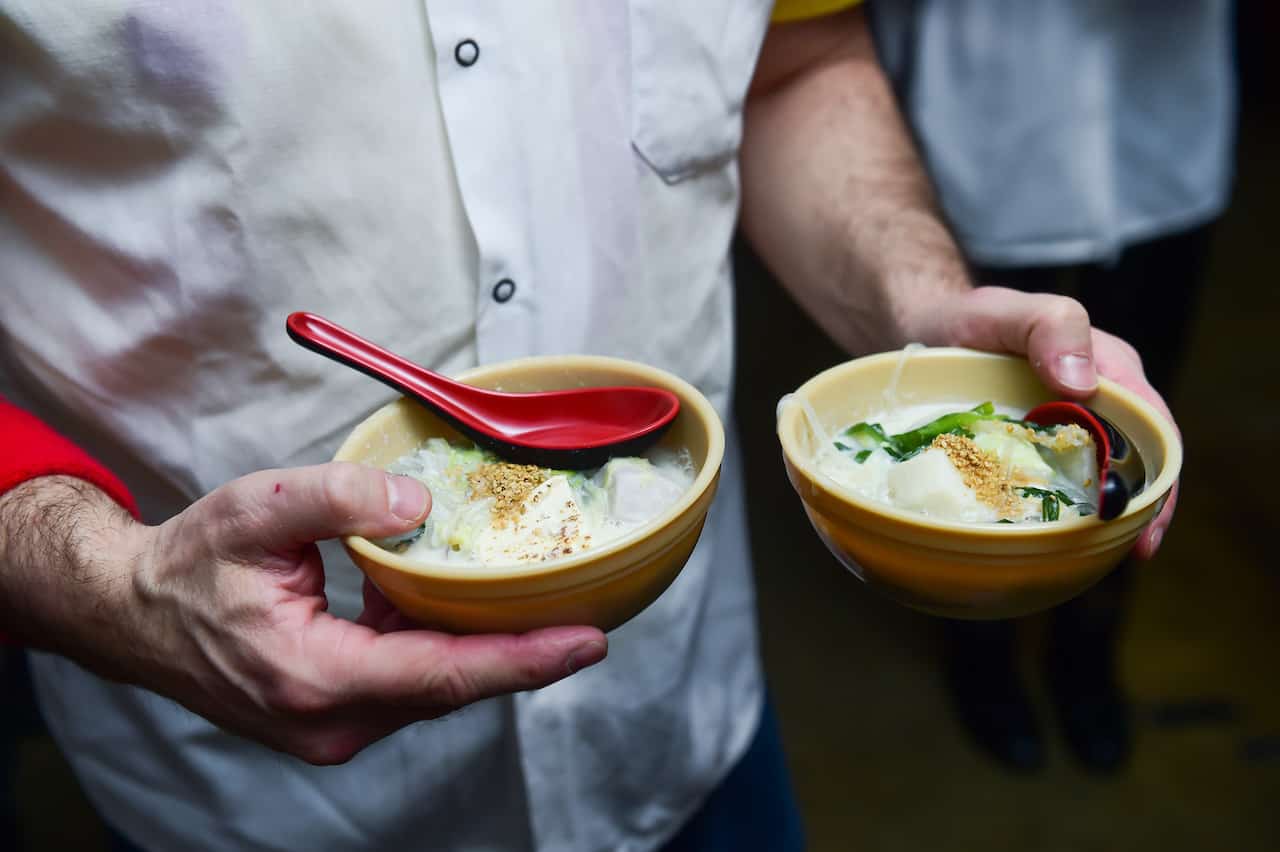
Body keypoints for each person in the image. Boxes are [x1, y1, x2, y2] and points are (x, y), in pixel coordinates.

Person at [0, 2, 1175, 850]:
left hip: (680, 715)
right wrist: (116, 584)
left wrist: (922, 310)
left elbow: (791, 60)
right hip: (247, 793)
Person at [869, 0, 1235, 772]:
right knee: (978, 409)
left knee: (1135, 422)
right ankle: (981, 646)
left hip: (1160, 109)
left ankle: (1088, 652)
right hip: (991, 104)